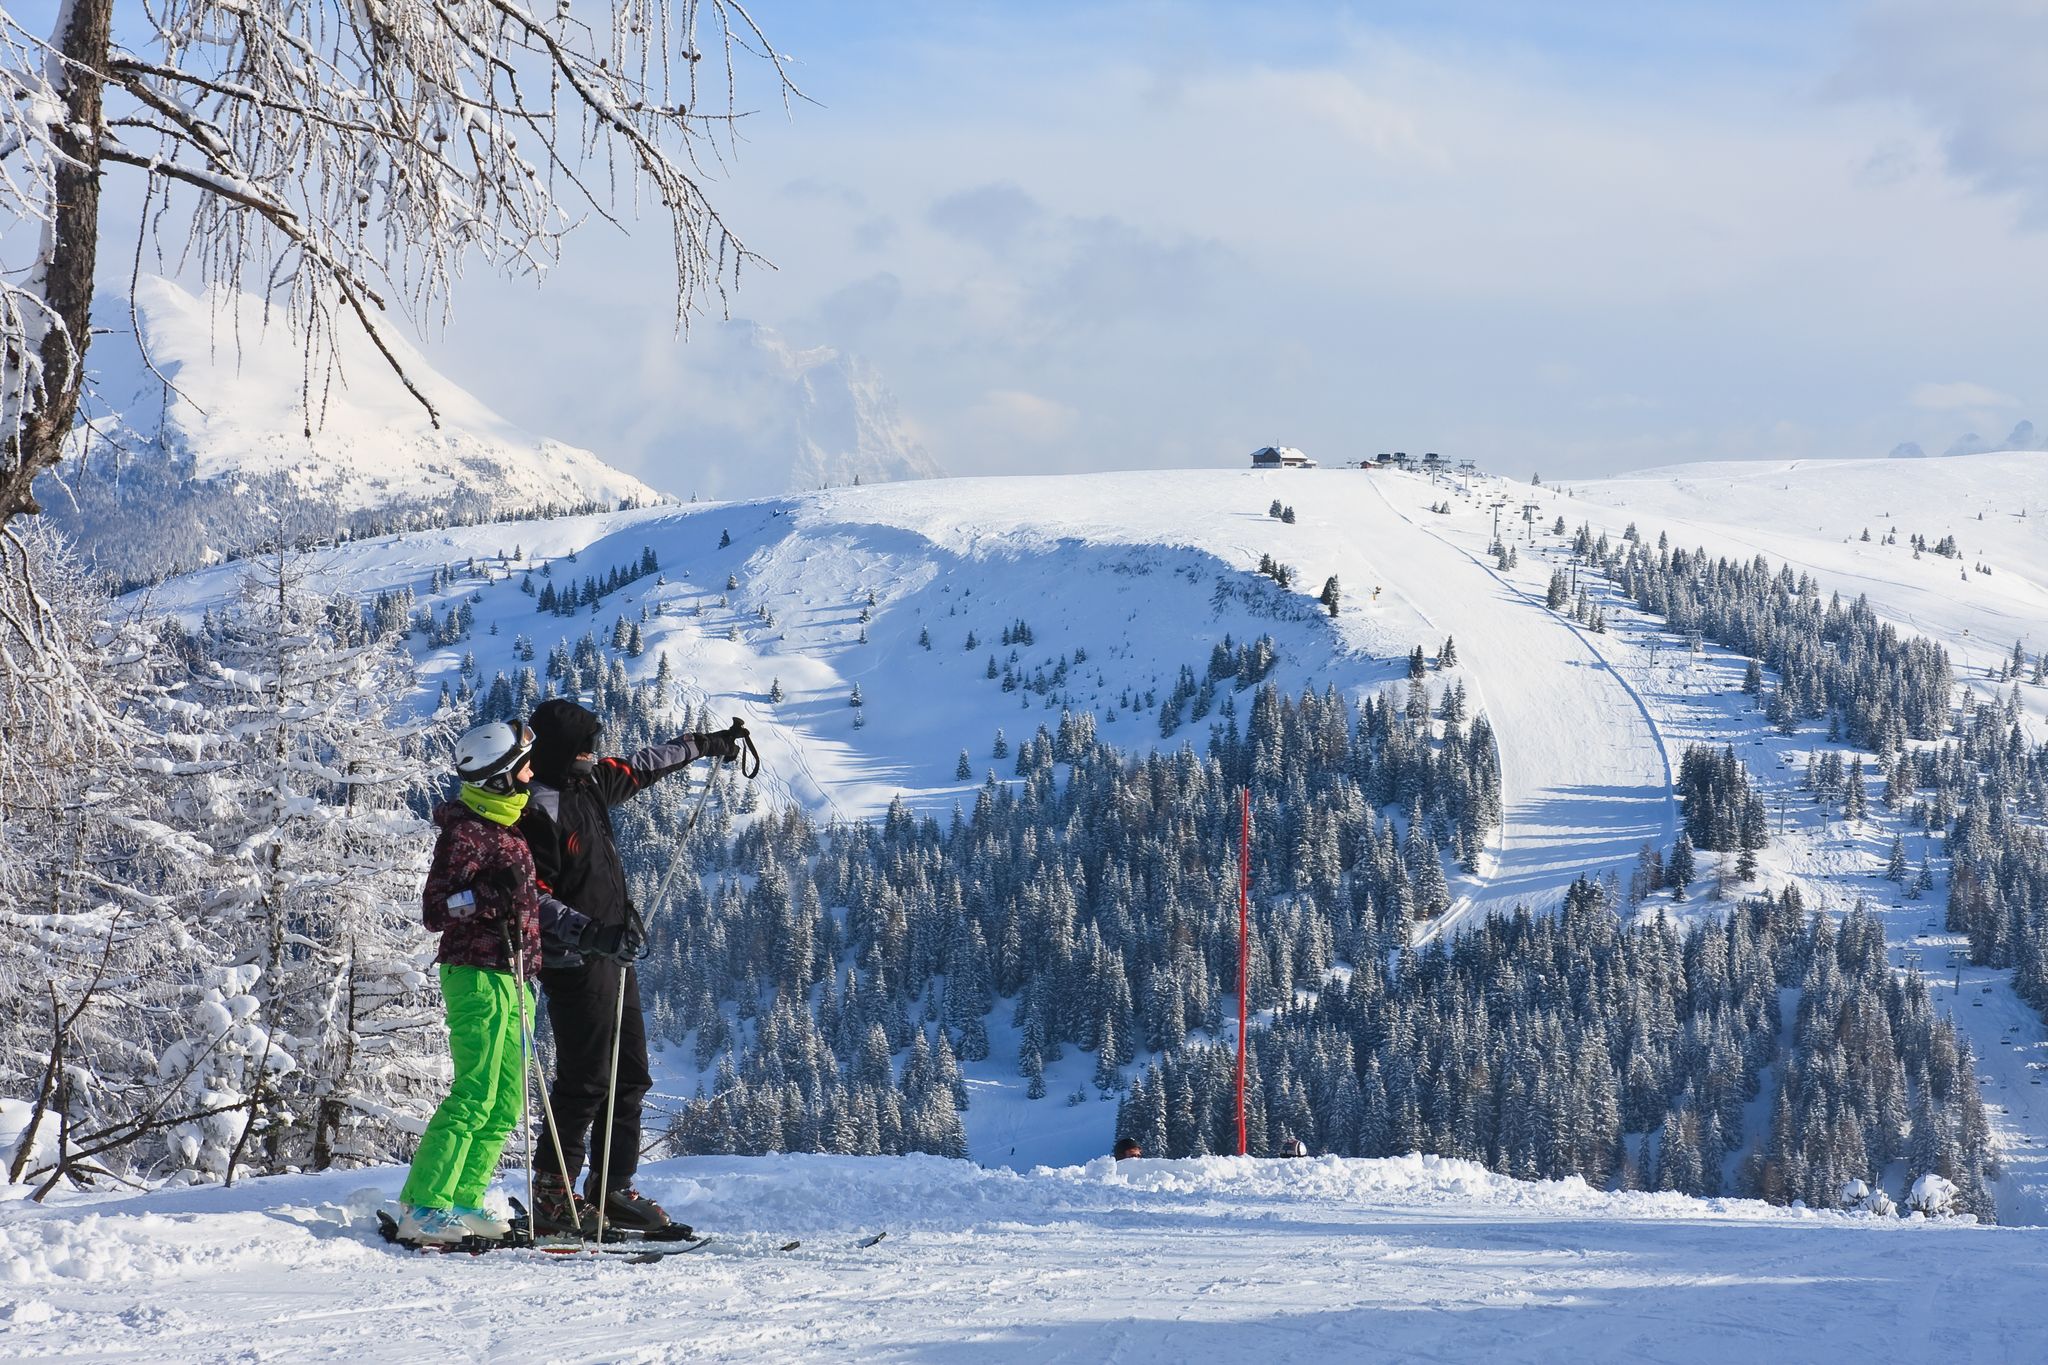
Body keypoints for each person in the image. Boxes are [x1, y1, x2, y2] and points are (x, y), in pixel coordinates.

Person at [519, 698, 743, 1236]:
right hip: (574, 960)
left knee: (630, 1075)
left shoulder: (591, 783)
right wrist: (590, 931)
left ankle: (610, 1189)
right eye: (586, 748)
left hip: (615, 954)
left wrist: (705, 743)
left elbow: (642, 764)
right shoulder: (535, 807)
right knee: (587, 1079)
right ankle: (553, 1195)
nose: (596, 755)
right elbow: (534, 897)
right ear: (562, 750)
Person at [396, 721, 596, 1245]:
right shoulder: (467, 833)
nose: (532, 775)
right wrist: (487, 896)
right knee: (476, 1091)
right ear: (502, 778)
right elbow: (436, 910)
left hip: (517, 977)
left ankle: (462, 1200)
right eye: (524, 767)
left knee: (505, 1100)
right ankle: (424, 1205)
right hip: (478, 973)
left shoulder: (506, 827)